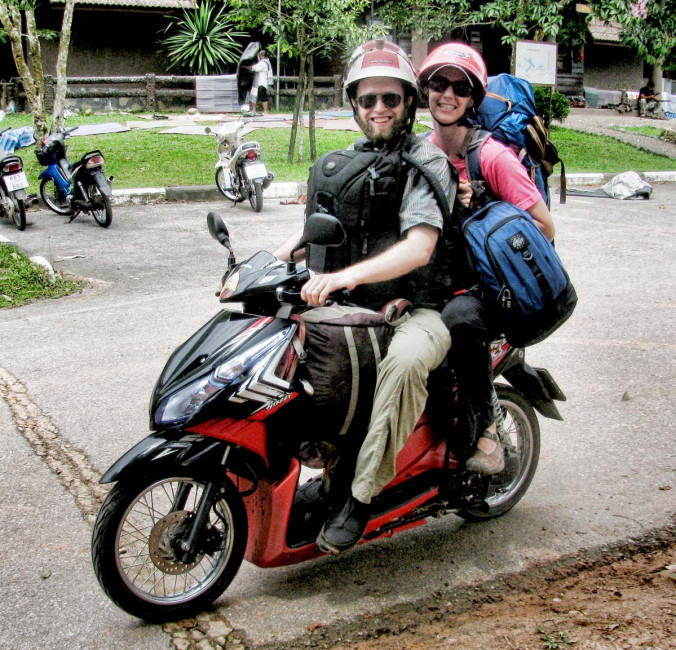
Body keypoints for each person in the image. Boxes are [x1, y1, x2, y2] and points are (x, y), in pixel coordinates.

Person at [274, 40, 454, 554]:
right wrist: (269, 262)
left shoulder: (426, 163)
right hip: (357, 305)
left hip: (420, 307)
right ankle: (319, 463)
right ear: (353, 103)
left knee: (401, 364)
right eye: (368, 99)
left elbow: (420, 248)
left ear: (408, 104)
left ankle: (360, 495)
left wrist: (336, 279)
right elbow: (312, 230)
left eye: (391, 100)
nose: (379, 109)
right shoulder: (344, 163)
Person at [416, 42, 556, 475]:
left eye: (461, 86)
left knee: (458, 319)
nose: (448, 94)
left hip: (489, 291)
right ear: (426, 90)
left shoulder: (492, 156)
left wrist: (482, 212)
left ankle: (489, 433)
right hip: (436, 279)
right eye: (439, 83)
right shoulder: (420, 151)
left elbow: (544, 228)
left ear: (473, 97)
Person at [251, 50, 274, 115]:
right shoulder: (266, 62)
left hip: (261, 82)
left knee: (263, 97)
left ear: (262, 55)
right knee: (255, 96)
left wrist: (248, 67)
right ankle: (254, 110)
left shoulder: (263, 63)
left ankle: (265, 111)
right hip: (259, 82)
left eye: (259, 55)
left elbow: (256, 68)